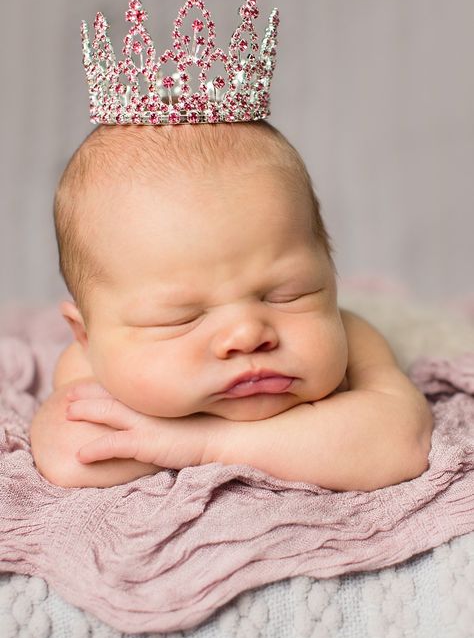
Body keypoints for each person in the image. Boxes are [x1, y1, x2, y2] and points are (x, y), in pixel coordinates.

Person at [30, 120, 433, 491]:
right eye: (180, 317)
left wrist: (203, 442)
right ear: (87, 336)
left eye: (288, 295)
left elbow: (401, 443)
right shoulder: (93, 365)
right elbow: (72, 459)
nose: (247, 334)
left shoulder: (353, 337)